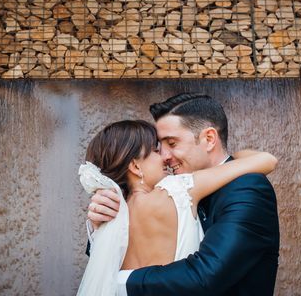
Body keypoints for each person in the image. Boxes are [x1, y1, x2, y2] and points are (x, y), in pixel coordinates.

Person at [87, 93, 280, 295]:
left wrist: (116, 282)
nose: (165, 156)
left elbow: (206, 275)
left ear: (209, 138)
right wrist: (99, 223)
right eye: (159, 148)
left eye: (172, 143)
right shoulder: (158, 193)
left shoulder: (248, 188)